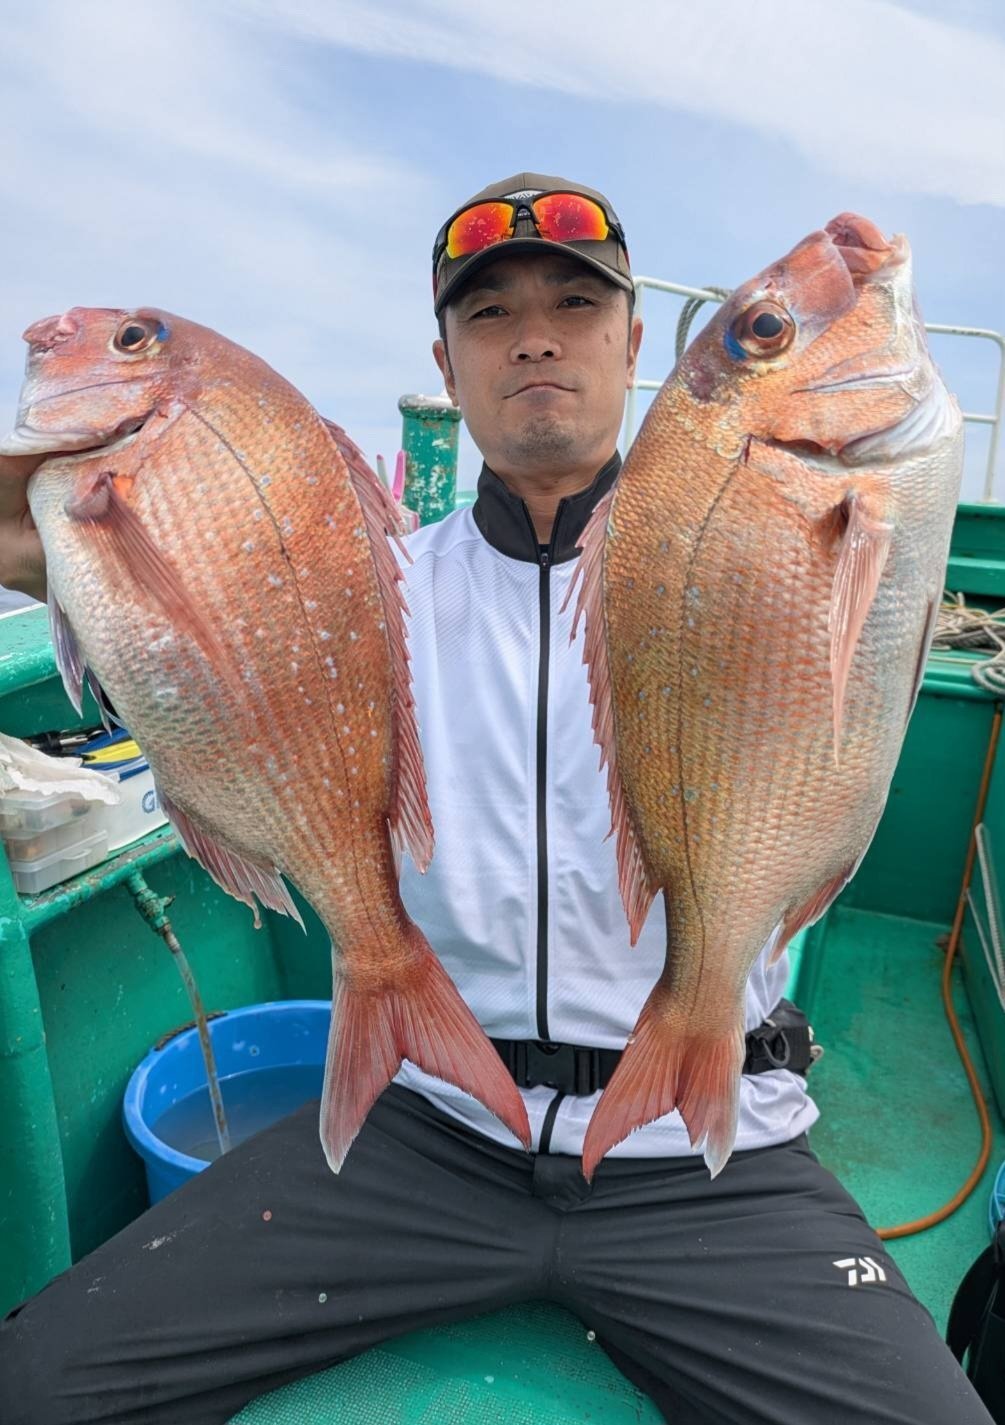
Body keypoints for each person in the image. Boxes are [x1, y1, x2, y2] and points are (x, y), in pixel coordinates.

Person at [0, 173, 991, 1425]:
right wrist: (72, 538)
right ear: (446, 364)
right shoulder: (360, 591)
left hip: (704, 1148)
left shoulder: (746, 547)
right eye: (489, 314)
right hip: (429, 1130)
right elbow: (193, 642)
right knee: (37, 1382)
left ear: (633, 346)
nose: (534, 338)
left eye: (577, 305)